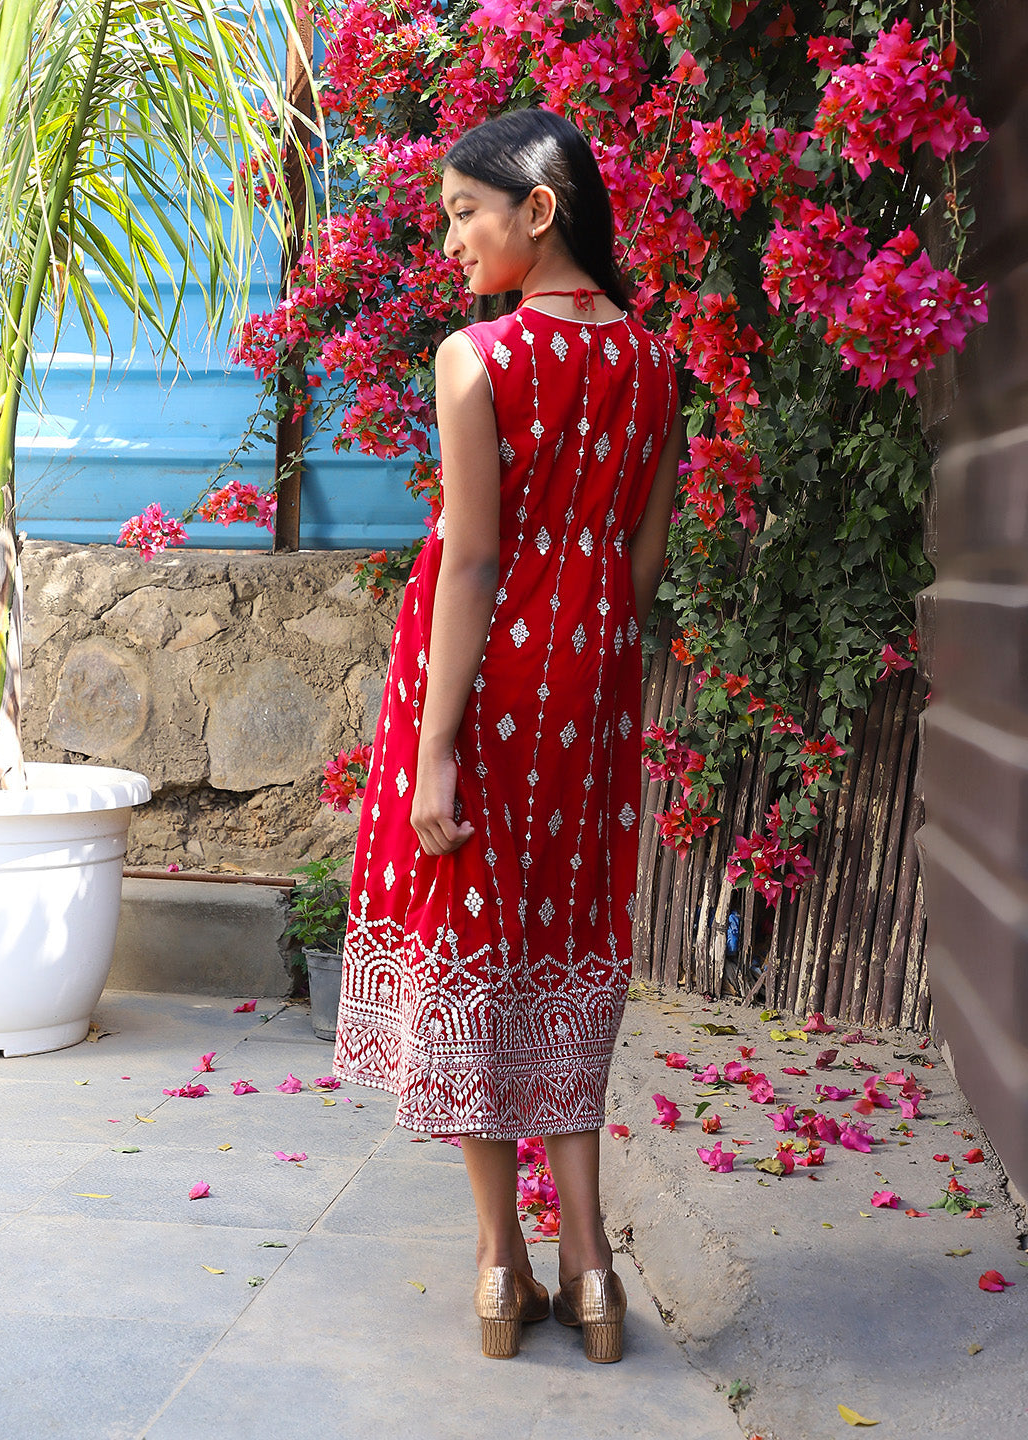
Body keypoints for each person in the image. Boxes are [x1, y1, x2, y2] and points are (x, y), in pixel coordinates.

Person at [331, 107, 682, 1364]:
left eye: (465, 212)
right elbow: (640, 570)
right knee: (568, 948)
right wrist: (580, 625)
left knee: (478, 951)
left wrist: (431, 747)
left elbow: (472, 559)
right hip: (589, 690)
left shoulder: (477, 357)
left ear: (540, 210)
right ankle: (593, 1275)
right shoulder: (655, 363)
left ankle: (499, 1269)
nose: (451, 238)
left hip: (480, 691)